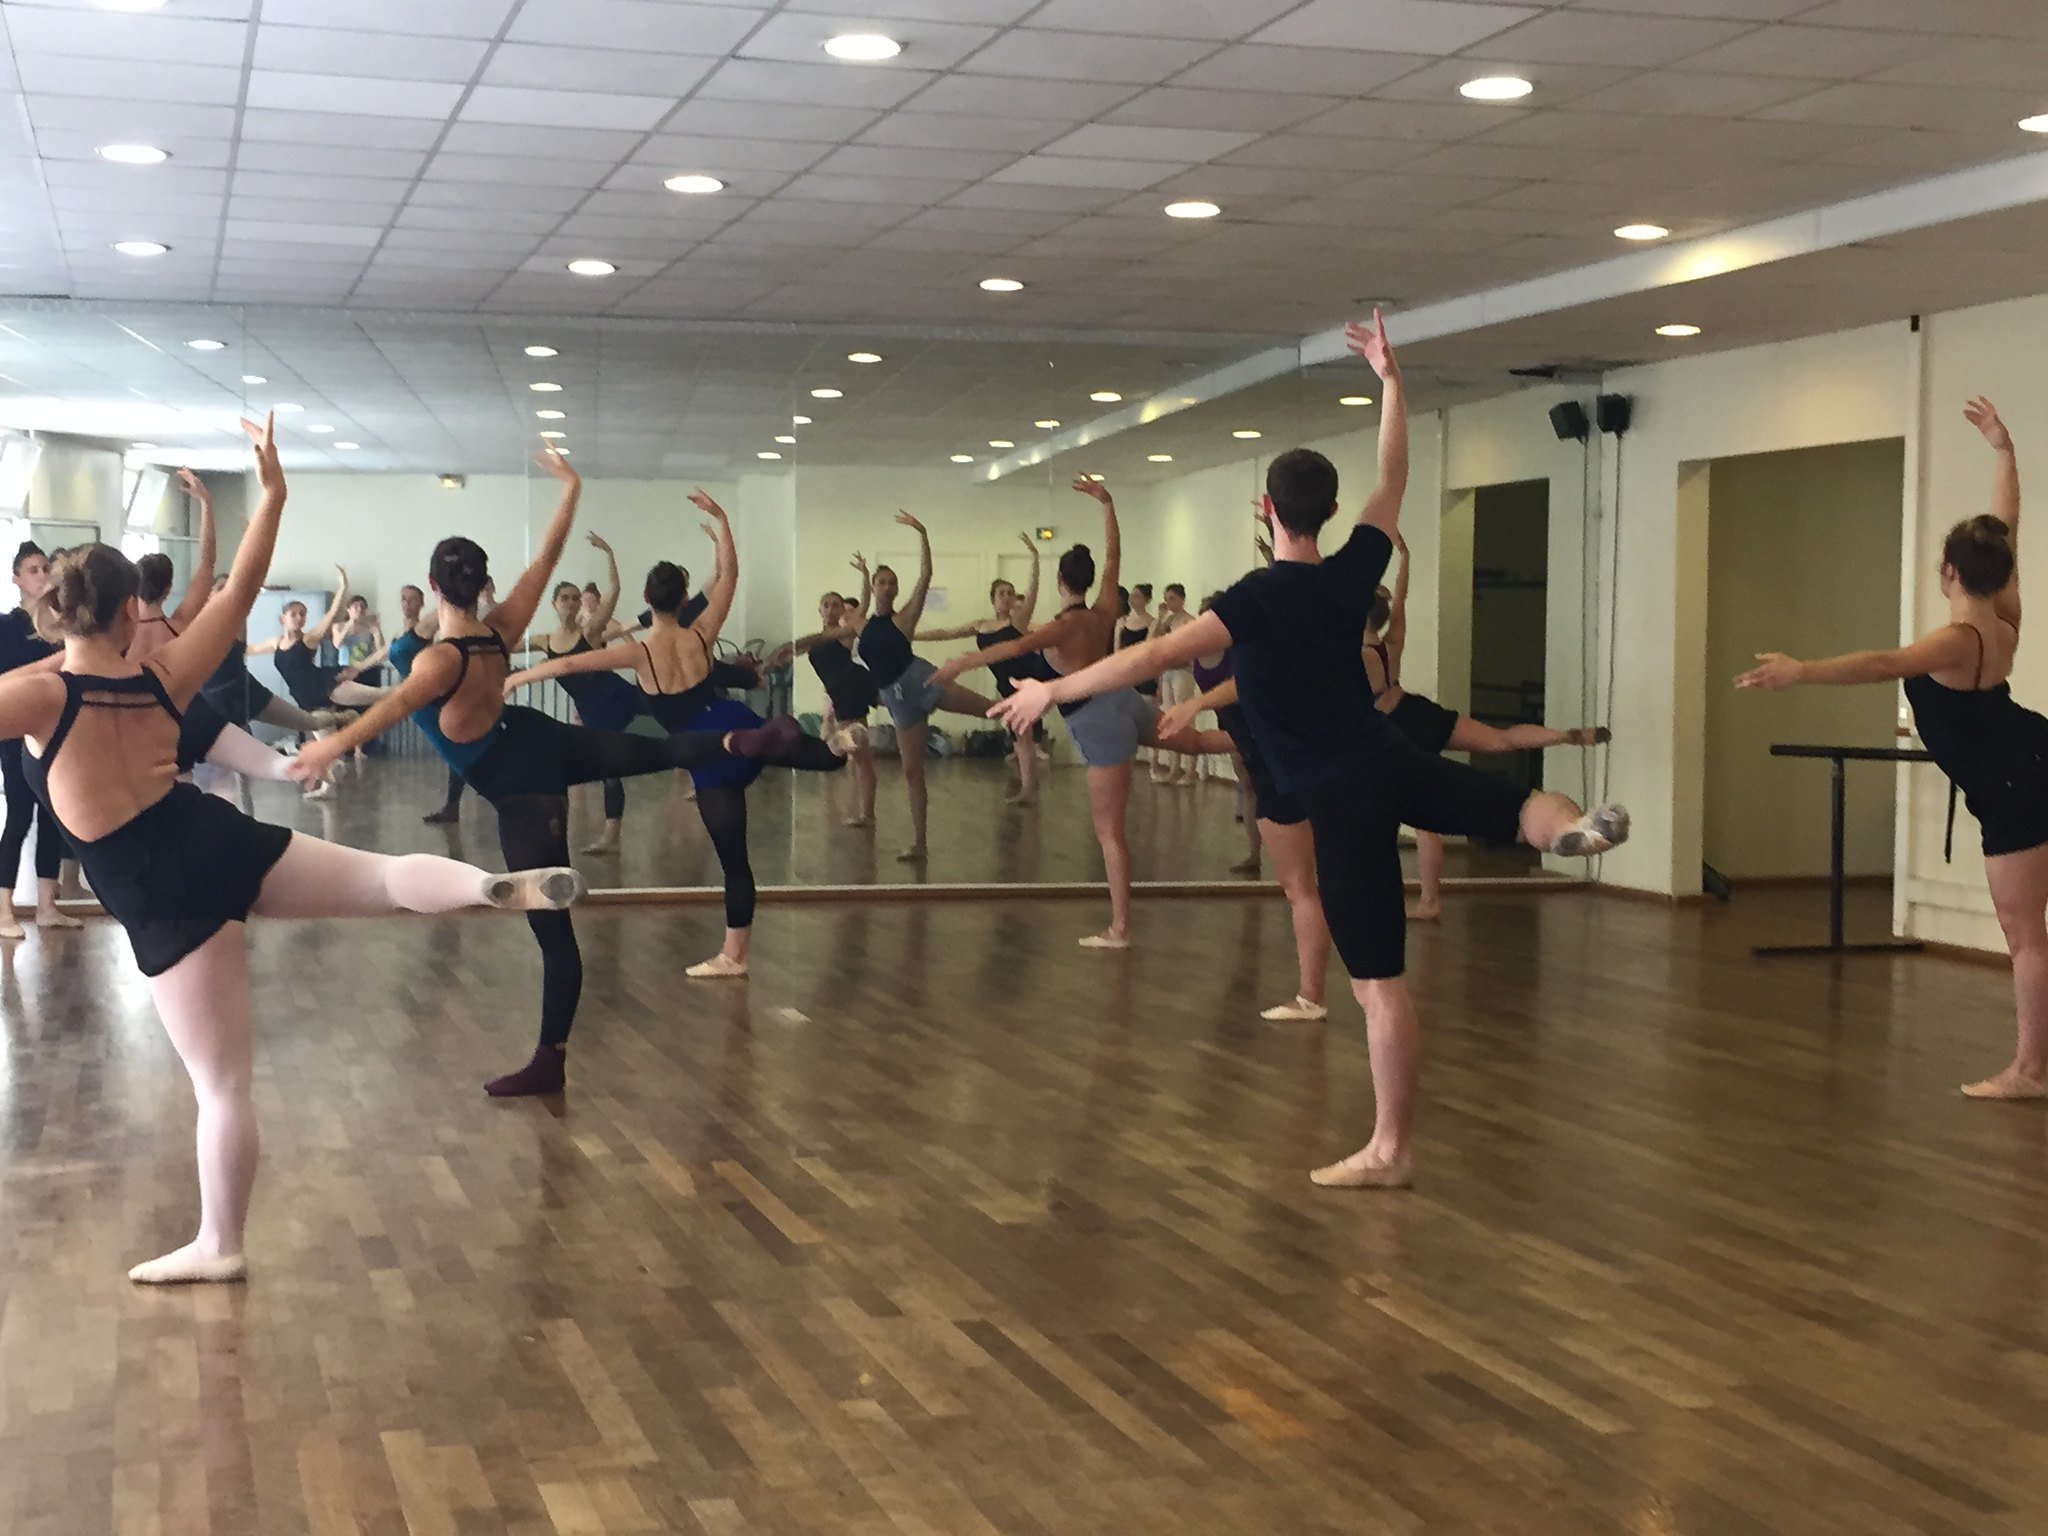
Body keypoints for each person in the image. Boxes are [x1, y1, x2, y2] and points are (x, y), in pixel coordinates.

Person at [991, 313, 1628, 1189]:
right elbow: (1395, 473)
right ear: (1328, 511)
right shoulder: (1351, 571)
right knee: (1508, 805)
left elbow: (1149, 658)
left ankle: (1391, 1150)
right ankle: (1566, 830)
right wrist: (1390, 381)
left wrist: (1050, 689)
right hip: (1387, 755)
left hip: (1338, 797)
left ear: (1267, 511)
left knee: (1378, 985)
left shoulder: (1252, 599)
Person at [0, 416, 588, 1285]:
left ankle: (219, 1244)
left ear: (56, 606)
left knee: (224, 1088)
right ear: (134, 609)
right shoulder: (166, 674)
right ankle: (485, 884)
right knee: (387, 878)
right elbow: (240, 592)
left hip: (162, 895)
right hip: (212, 833)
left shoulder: (33, 695)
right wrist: (271, 492)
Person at [293, 455, 834, 1095]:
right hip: (534, 734)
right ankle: (733, 737)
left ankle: (550, 1060)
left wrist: (327, 749)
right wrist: (572, 490)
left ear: (434, 589)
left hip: (515, 777)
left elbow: (394, 708)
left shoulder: (439, 659)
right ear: (480, 584)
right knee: (646, 754)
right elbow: (546, 560)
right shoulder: (501, 627)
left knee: (552, 924)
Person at [1741, 396, 2046, 1100]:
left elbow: (1882, 662)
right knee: (2029, 926)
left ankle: (2031, 1071)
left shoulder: (1954, 641)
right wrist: (2003, 452)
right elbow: (2009, 525)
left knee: (2024, 929)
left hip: (2015, 783)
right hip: (2030, 753)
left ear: (1948, 572)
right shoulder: (2004, 613)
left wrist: (1801, 671)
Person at [505, 494, 859, 980]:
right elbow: (730, 577)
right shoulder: (702, 633)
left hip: (705, 748)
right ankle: (835, 747)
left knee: (735, 859)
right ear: (681, 597)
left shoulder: (640, 653)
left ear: (648, 602)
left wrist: (516, 680)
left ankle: (735, 956)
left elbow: (567, 664)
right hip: (732, 715)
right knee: (804, 754)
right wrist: (723, 519)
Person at [936, 480, 1234, 948]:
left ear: (1060, 582)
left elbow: (1009, 646)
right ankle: (1265, 733)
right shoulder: (1104, 611)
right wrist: (1107, 504)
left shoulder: (1059, 628)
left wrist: (959, 663)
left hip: (1098, 724)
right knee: (1194, 743)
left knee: (1110, 834)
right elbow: (1115, 555)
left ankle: (1120, 928)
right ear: (1090, 580)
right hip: (1126, 703)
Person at [1364, 533, 1610, 920]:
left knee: (1425, 820)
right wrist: (1406, 559)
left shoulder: (1358, 656)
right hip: (1417, 712)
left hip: (1394, 729)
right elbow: (1402, 599)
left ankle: (1429, 901)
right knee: (1501, 739)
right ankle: (1562, 736)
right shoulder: (1389, 642)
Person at [857, 513, 1001, 861]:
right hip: (898, 699)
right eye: (882, 583)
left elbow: (925, 576)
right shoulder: (861, 624)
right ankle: (920, 843)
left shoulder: (904, 618)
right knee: (911, 770)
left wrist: (922, 532)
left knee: (989, 708)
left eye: (892, 583)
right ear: (874, 588)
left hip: (921, 680)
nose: (888, 587)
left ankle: (1031, 715)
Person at [529, 531, 640, 855]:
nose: (572, 602)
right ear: (554, 603)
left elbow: (614, 591)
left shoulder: (589, 632)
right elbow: (505, 643)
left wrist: (609, 553)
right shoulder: (543, 641)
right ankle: (611, 836)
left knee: (675, 709)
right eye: (565, 597)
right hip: (594, 714)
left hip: (620, 697)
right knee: (610, 771)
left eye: (576, 598)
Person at [917, 533, 1043, 805]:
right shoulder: (981, 625)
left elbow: (1032, 591)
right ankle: (1028, 787)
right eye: (1002, 593)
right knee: (1021, 738)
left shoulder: (1020, 622)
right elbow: (945, 632)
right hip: (1004, 685)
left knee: (1025, 736)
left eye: (1010, 593)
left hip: (1026, 681)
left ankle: (1028, 789)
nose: (1007, 597)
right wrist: (911, 635)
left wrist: (1035, 557)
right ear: (993, 598)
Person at [0, 540, 79, 934]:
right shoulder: (7, 626)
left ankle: (48, 906)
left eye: (45, 568)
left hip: (55, 733)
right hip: (15, 734)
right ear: (16, 579)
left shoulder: (60, 628)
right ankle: (3, 909)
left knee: (53, 817)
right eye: (33, 570)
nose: (42, 575)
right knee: (18, 815)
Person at [783, 572, 881, 827]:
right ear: (820, 609)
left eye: (836, 604)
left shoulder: (845, 633)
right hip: (839, 693)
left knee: (861, 755)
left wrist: (865, 576)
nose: (831, 608)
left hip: (853, 688)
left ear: (841, 611)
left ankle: (866, 813)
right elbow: (791, 652)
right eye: (826, 604)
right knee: (859, 754)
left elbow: (863, 607)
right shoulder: (816, 639)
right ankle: (865, 812)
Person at [248, 570, 391, 717]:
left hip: (325, 685)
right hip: (305, 699)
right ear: (282, 619)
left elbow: (331, 615)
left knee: (381, 695)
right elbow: (250, 649)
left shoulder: (309, 639)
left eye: (303, 614)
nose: (299, 618)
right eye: (294, 614)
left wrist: (343, 588)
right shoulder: (275, 643)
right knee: (329, 734)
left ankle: (412, 689)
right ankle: (345, 719)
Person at [1150, 583, 1202, 785]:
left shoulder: (1189, 621)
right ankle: (1174, 768)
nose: (1168, 602)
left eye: (1172, 598)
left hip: (1183, 671)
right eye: (1166, 598)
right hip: (1168, 671)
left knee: (1185, 719)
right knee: (1170, 720)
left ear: (1182, 599)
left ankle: (1191, 771)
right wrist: (1161, 619)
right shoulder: (1167, 621)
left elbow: (1191, 650)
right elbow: (1154, 641)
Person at [329, 594, 383, 681]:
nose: (359, 609)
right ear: (349, 610)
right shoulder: (338, 626)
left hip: (367, 669)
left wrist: (377, 630)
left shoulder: (371, 628)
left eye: (362, 607)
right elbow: (337, 644)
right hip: (346, 669)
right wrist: (349, 624)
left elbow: (381, 651)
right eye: (355, 606)